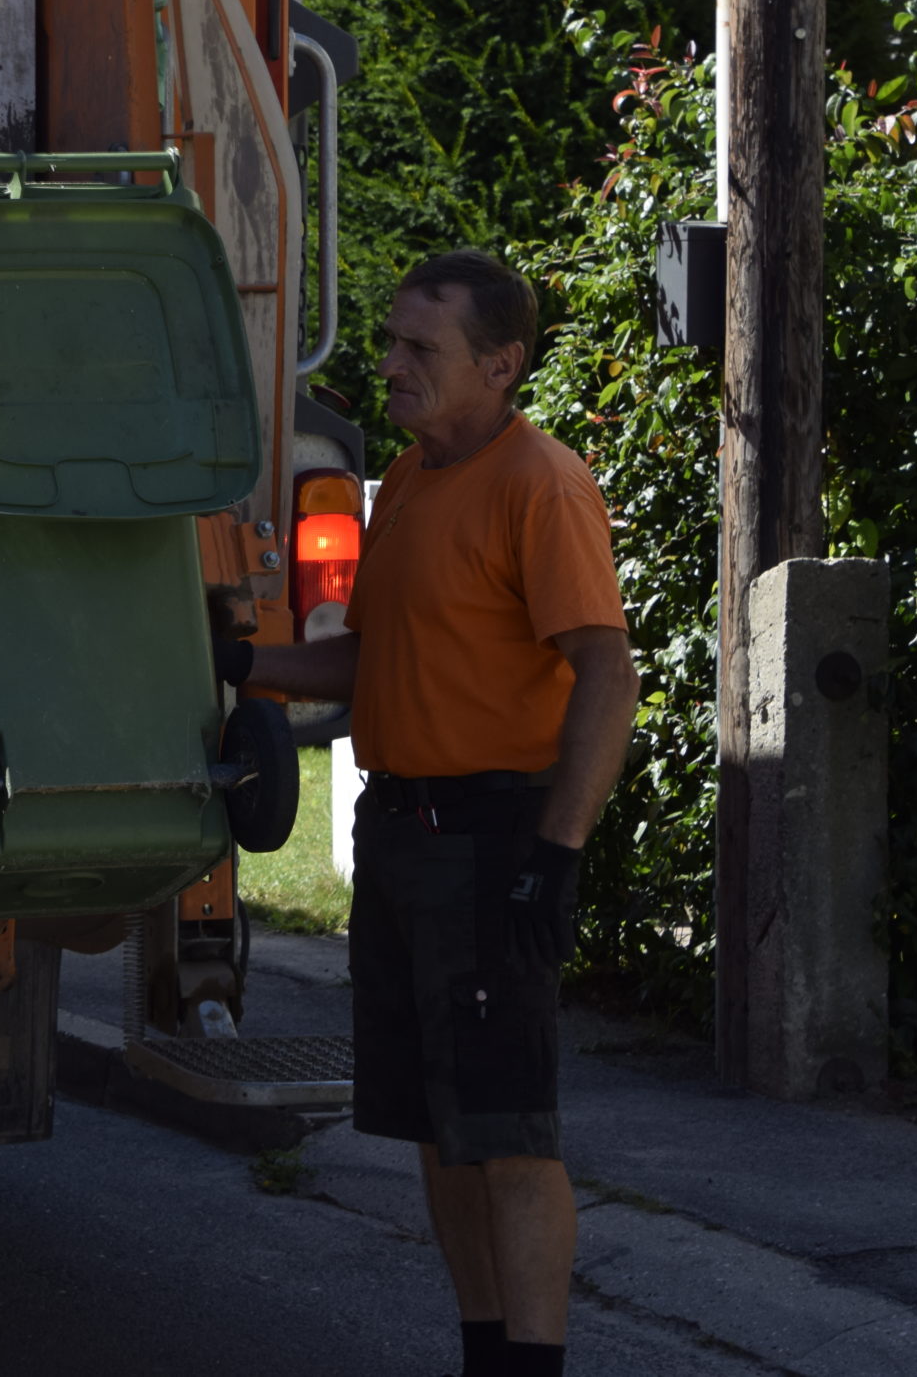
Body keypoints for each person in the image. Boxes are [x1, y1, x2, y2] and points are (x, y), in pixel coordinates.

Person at [220, 250, 637, 1377]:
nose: (391, 364)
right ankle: (484, 1352)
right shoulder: (405, 481)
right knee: (436, 1132)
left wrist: (551, 855)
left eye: (420, 349)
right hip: (401, 839)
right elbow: (372, 660)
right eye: (393, 339)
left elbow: (606, 673)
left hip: (494, 838)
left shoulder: (539, 485)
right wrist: (237, 663)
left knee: (506, 1134)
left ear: (499, 367)